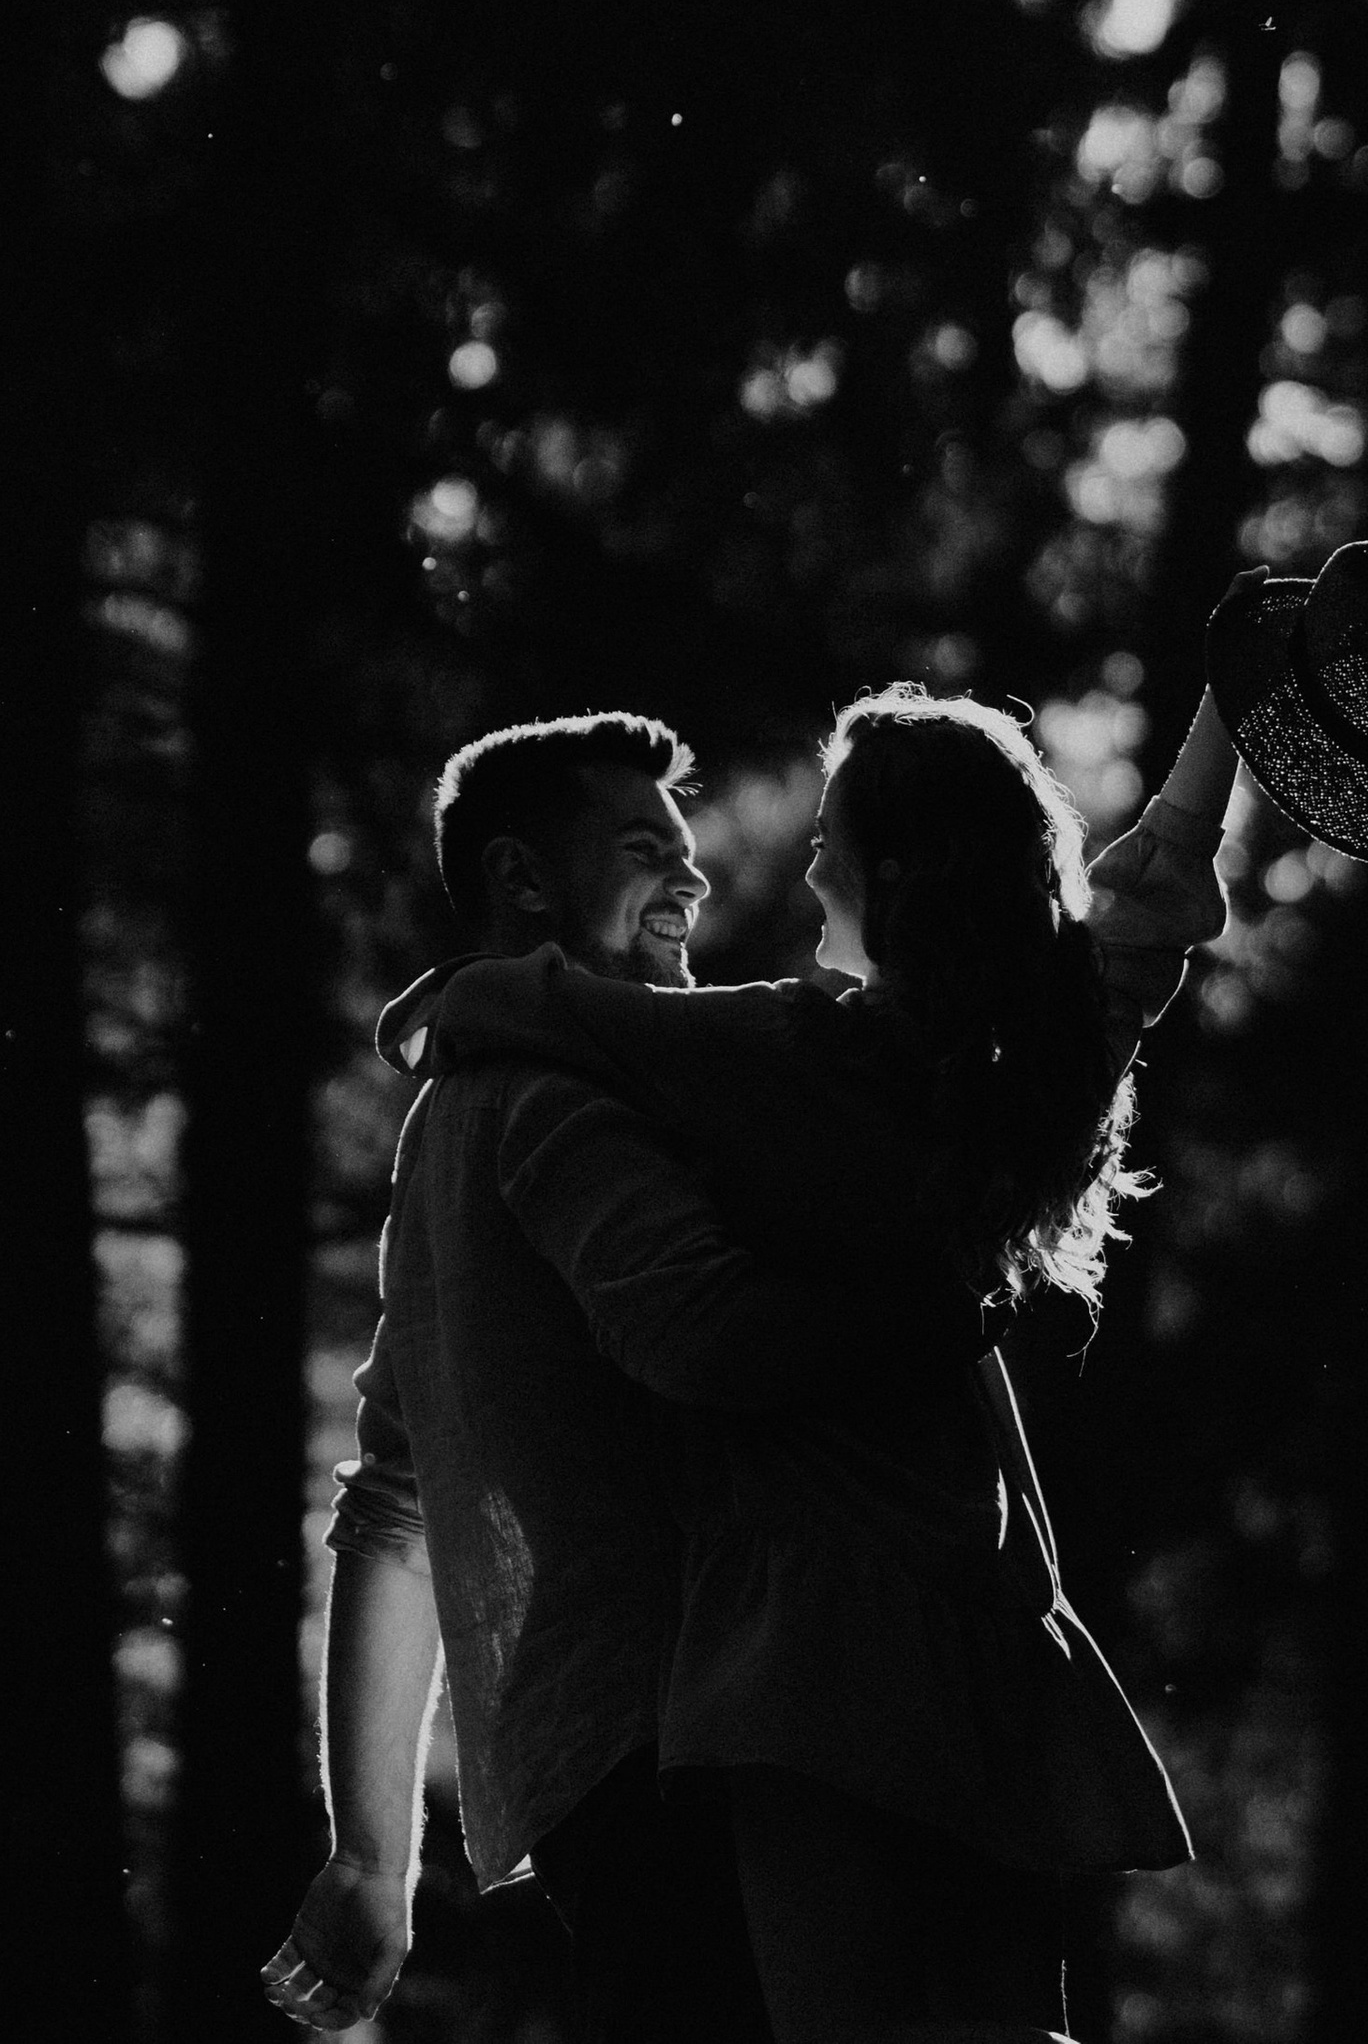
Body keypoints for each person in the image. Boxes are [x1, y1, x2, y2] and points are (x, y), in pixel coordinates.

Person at [379, 643, 1241, 2044]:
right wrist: (1224, 722)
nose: (796, 867)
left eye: (833, 838)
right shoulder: (1021, 1078)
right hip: (989, 1621)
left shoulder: (796, 1056)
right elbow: (1142, 921)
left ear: (887, 877)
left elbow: (573, 1018)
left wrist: (457, 1004)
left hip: (807, 1651)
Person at [261, 708, 978, 2044]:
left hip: (592, 1768)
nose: (695, 880)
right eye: (649, 847)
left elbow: (392, 1506)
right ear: (526, 882)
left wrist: (371, 1857)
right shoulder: (559, 1099)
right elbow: (706, 1334)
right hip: (711, 1744)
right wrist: (942, 1309)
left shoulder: (447, 1127)